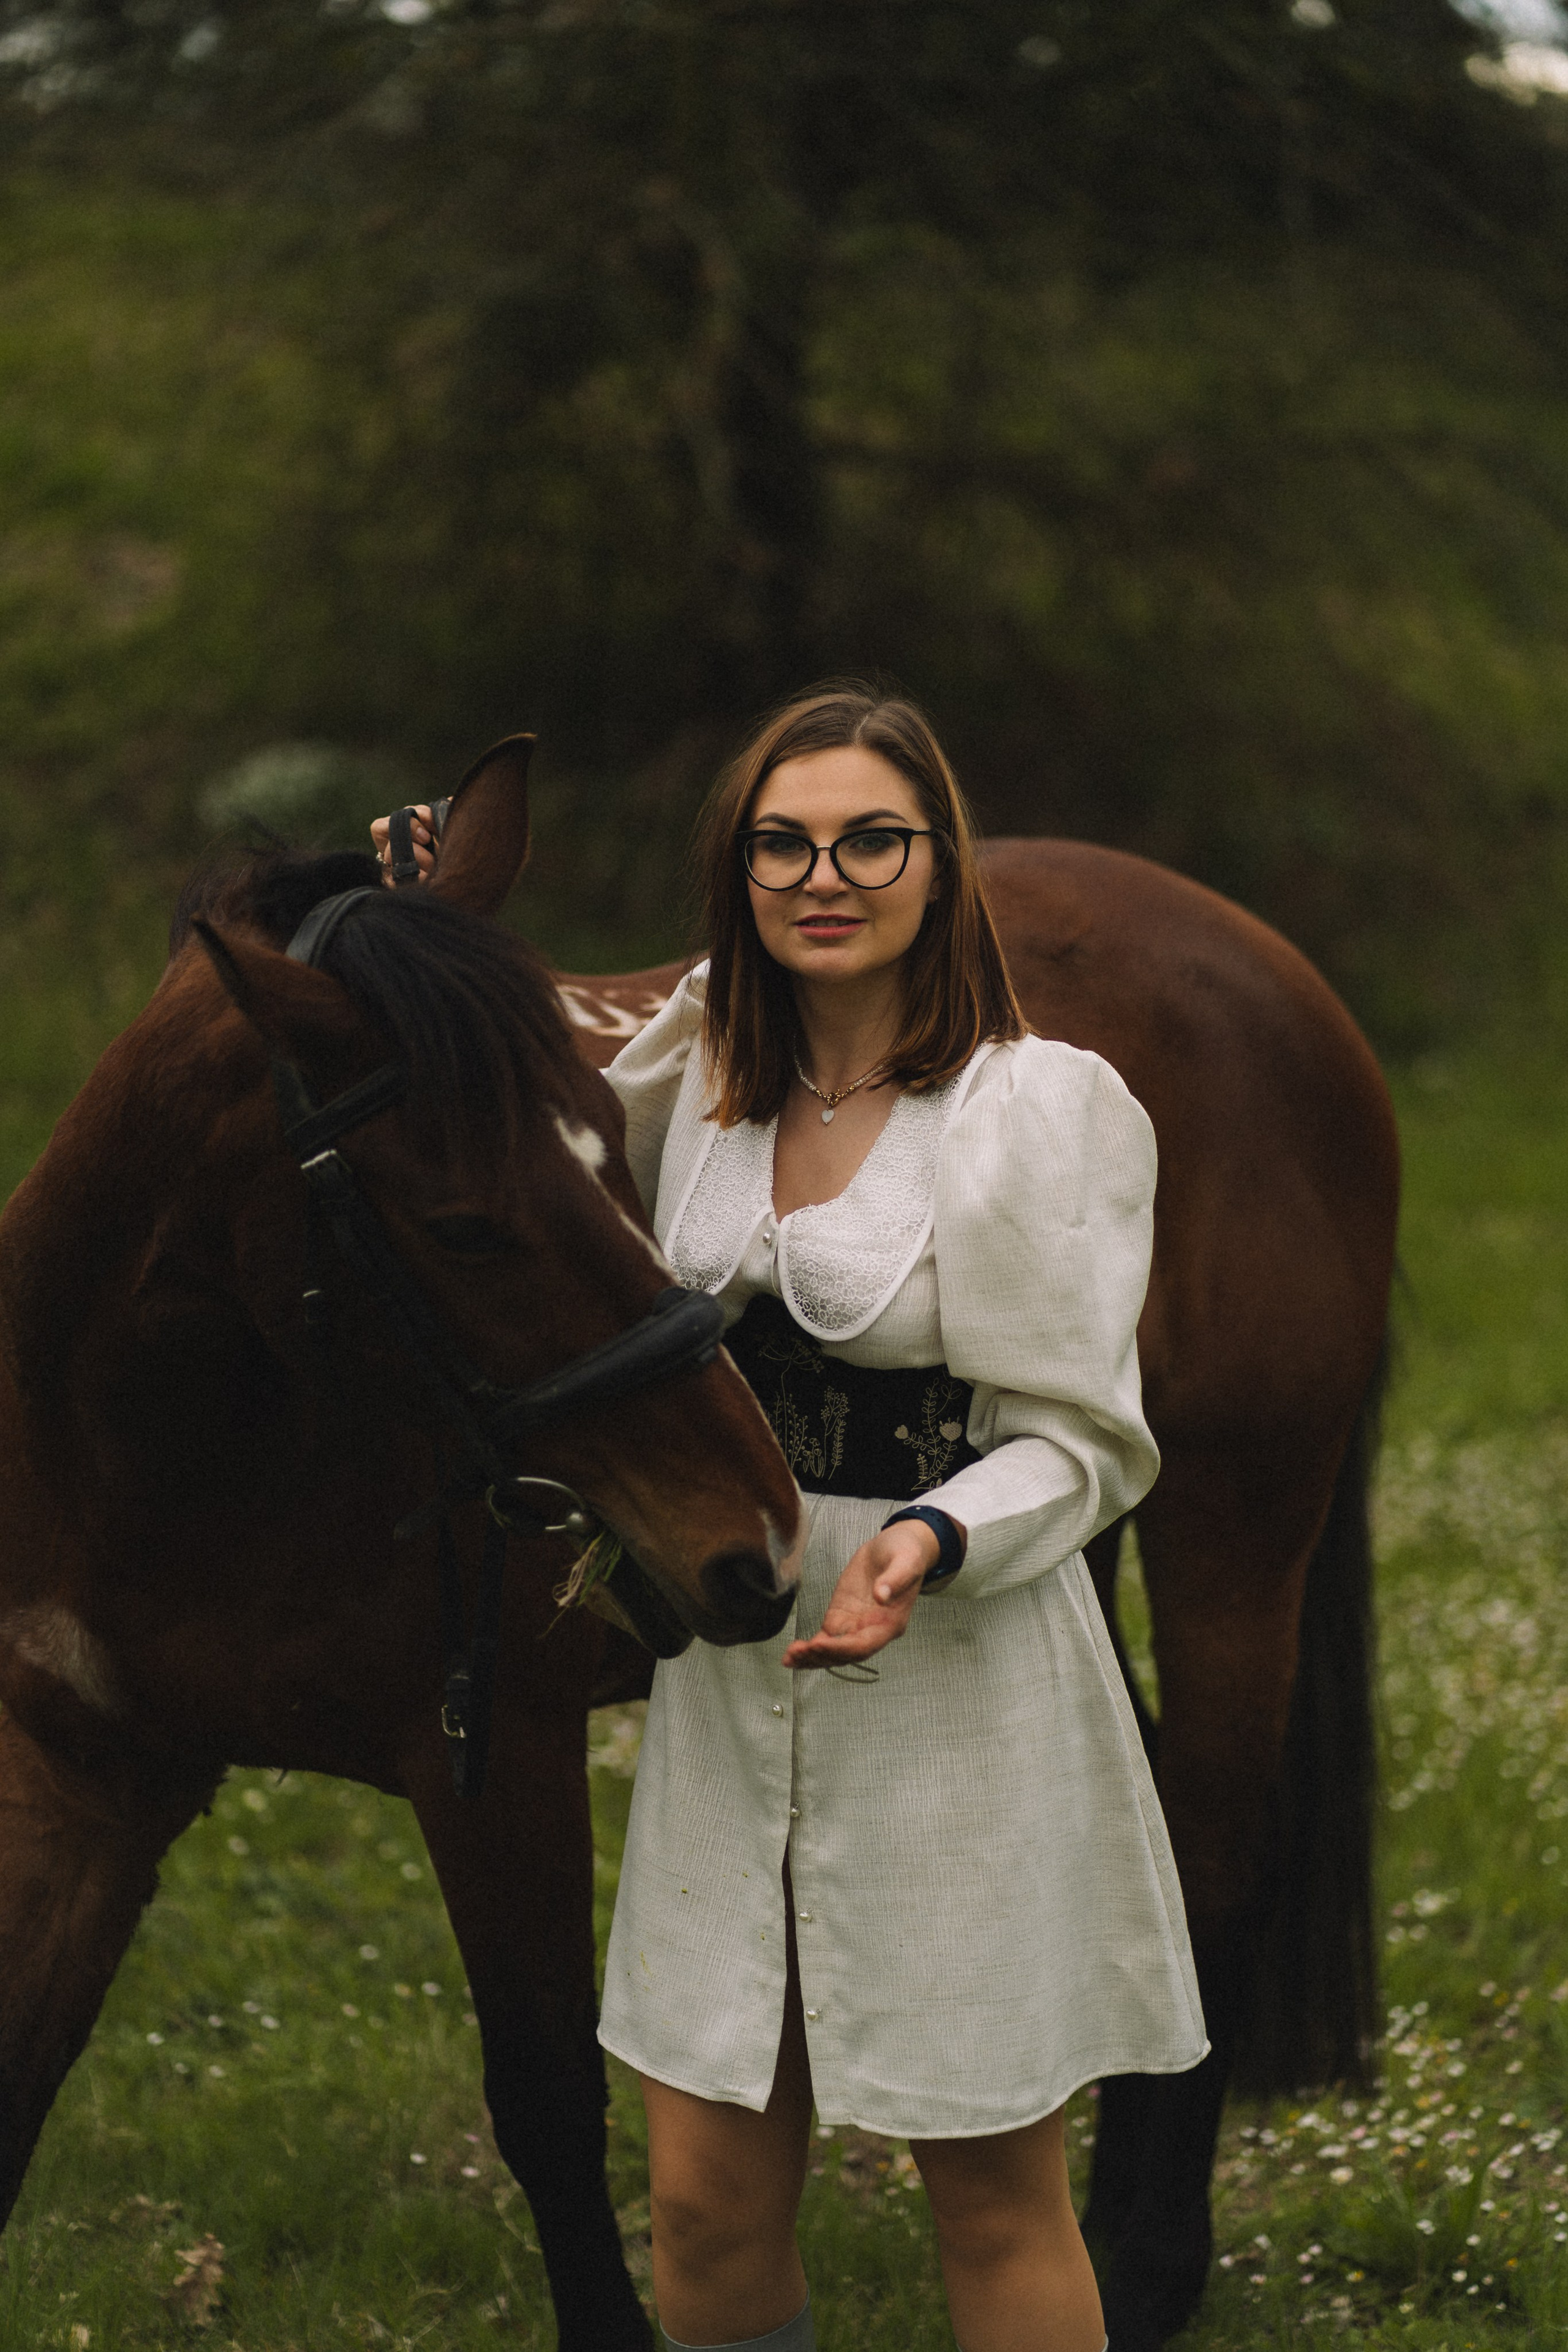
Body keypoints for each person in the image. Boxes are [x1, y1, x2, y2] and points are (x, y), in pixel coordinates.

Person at [374, 688, 1207, 2352]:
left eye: (870, 841)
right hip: (737, 1666)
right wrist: (433, 929)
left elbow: (1082, 1441)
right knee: (702, 2195)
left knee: (990, 2192)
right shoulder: (700, 1080)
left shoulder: (1033, 1110)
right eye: (784, 843)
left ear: (939, 863)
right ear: (740, 872)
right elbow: (517, 1115)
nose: (825, 876)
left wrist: (932, 1542)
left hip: (960, 1674)